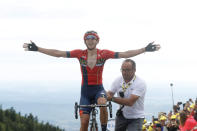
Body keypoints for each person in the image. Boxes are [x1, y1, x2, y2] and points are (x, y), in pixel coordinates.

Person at [23, 30, 160, 131]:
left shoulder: (104, 54)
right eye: (87, 38)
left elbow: (125, 54)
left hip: (98, 90)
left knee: (102, 102)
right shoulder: (79, 54)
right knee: (84, 123)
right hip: (85, 92)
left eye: (93, 38)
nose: (90, 40)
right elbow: (58, 53)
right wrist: (37, 49)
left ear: (97, 41)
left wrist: (145, 49)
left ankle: (104, 129)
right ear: (84, 41)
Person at [107, 59, 147, 131]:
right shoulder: (118, 79)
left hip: (136, 117)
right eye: (123, 70)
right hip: (122, 115)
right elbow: (110, 93)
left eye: (127, 70)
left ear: (134, 70)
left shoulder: (140, 83)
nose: (124, 72)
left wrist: (112, 98)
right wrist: (104, 95)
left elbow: (130, 102)